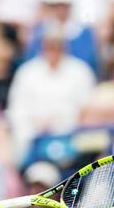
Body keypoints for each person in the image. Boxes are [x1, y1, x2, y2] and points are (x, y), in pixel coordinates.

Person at [6, 24, 95, 166]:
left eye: (58, 45)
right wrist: (36, 126)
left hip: (70, 135)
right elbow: (16, 108)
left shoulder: (80, 71)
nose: (54, 49)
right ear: (43, 46)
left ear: (65, 46)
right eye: (50, 45)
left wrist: (60, 122)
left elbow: (87, 108)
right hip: (32, 136)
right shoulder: (27, 72)